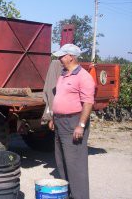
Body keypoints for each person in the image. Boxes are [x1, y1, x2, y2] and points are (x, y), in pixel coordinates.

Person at [49, 44, 96, 199]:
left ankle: (80, 196)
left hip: (73, 122)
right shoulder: (63, 74)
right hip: (60, 122)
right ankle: (67, 194)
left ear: (71, 56)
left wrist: (81, 125)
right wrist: (53, 117)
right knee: (61, 161)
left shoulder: (84, 77)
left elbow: (88, 103)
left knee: (75, 164)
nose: (59, 58)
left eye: (62, 56)